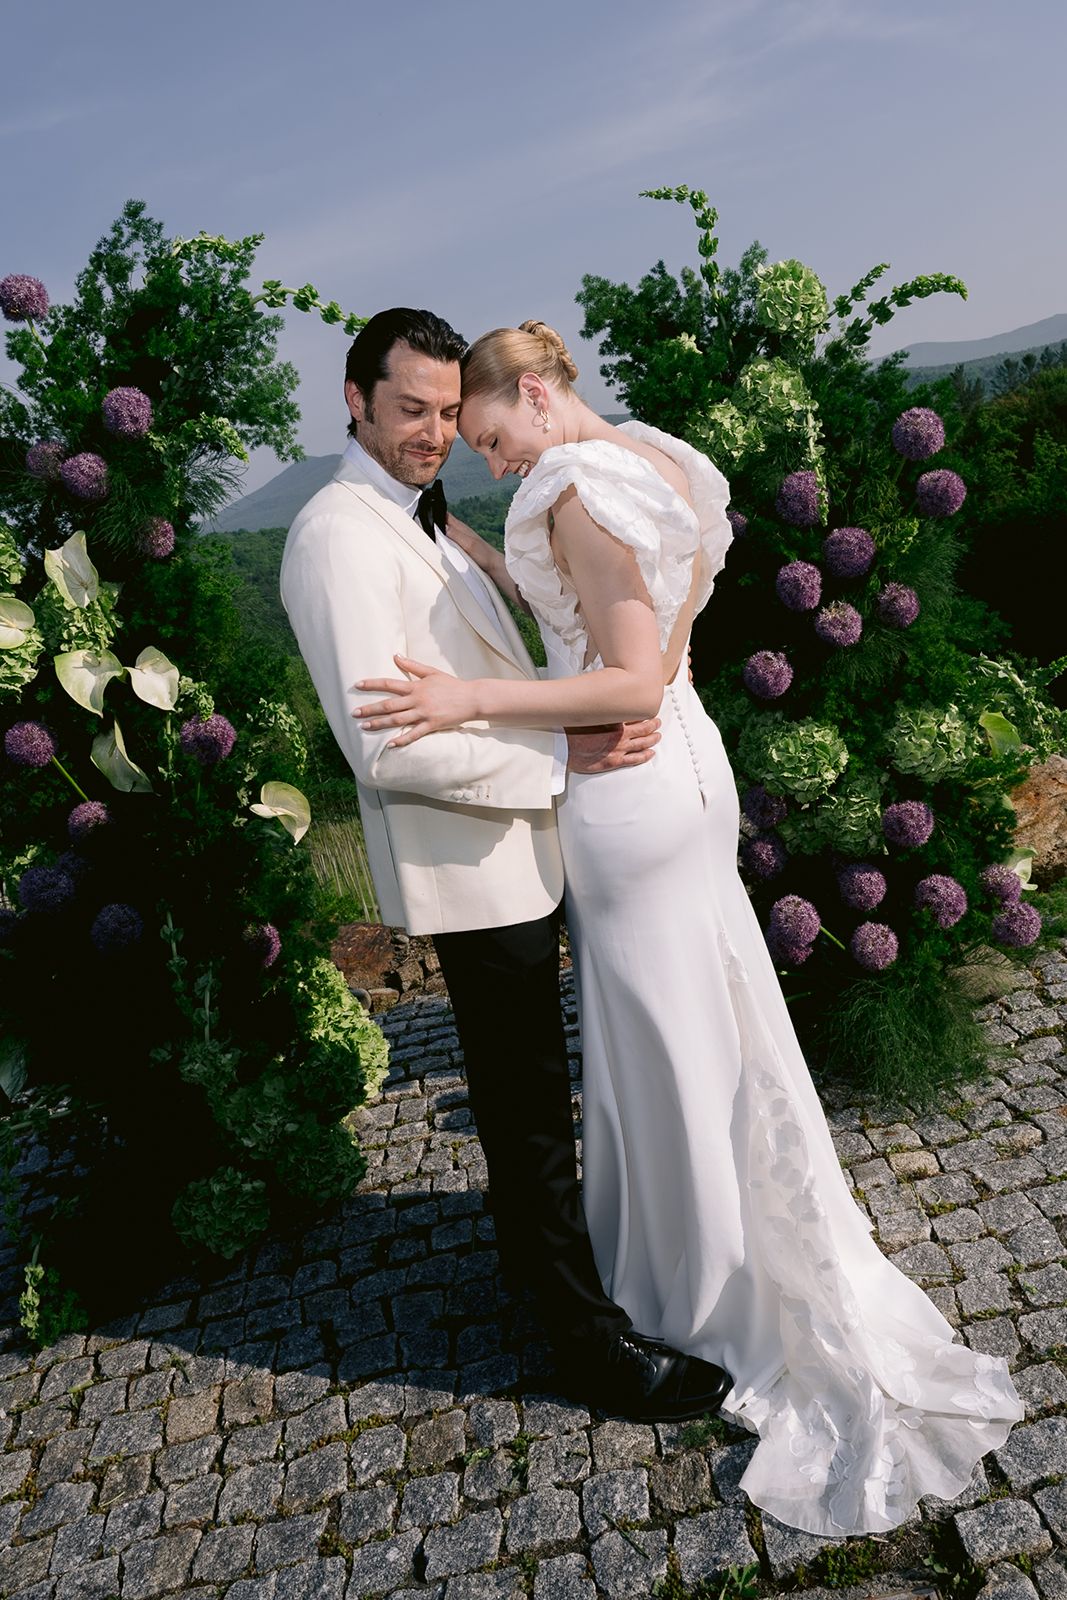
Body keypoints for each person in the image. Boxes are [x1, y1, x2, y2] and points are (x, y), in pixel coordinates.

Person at [351, 319, 1024, 1537]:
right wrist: (514, 585)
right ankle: (711, 1243)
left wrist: (470, 694)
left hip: (624, 791)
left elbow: (616, 683)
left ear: (539, 397)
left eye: (493, 433)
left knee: (659, 1040)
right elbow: (665, 624)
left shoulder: (565, 484)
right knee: (706, 1019)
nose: (493, 462)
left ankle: (694, 1286)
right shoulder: (663, 464)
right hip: (690, 772)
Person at [280, 307, 732, 1422]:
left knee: (539, 1094)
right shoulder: (335, 534)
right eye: (410, 411)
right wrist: (560, 763)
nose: (433, 434)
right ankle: (585, 1345)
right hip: (472, 864)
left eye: (446, 413)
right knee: (528, 1110)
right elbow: (386, 743)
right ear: (354, 401)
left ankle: (551, 1268)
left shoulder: (424, 517)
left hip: (527, 848)